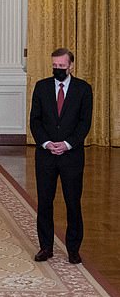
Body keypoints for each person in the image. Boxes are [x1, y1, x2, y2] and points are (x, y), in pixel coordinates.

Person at [30, 48, 92, 265]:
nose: (57, 70)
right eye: (54, 66)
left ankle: (73, 249)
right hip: (46, 156)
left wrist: (66, 144)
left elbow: (85, 123)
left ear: (71, 66)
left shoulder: (84, 89)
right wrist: (47, 143)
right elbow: (35, 120)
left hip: (71, 156)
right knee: (45, 202)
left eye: (61, 67)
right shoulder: (41, 87)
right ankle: (46, 247)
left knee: (72, 202)